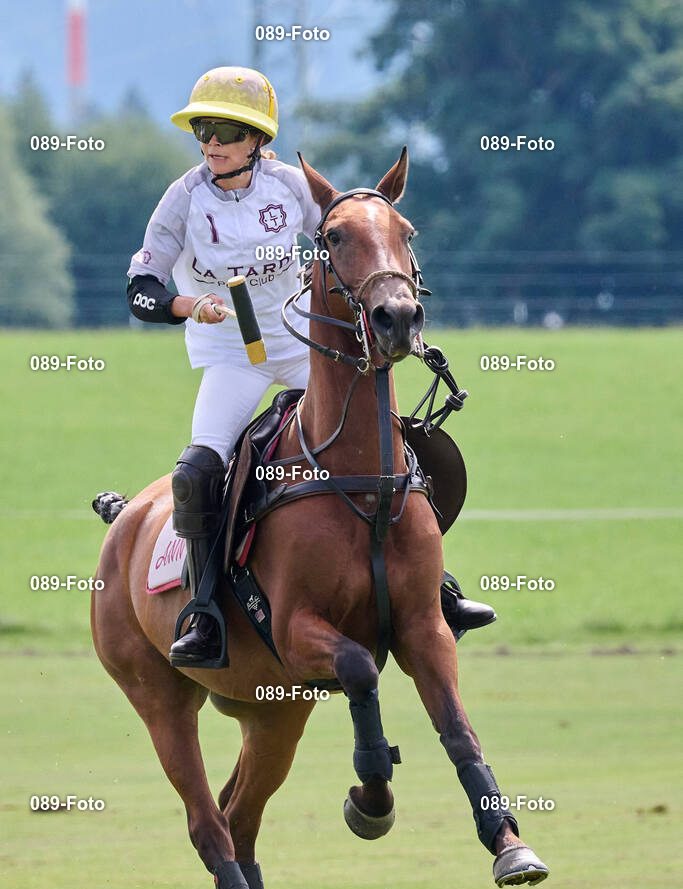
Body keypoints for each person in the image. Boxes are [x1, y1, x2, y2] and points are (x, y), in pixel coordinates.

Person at [126, 65, 495, 668]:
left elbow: (348, 229)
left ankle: (437, 588)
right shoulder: (183, 199)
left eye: (225, 130)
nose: (211, 143)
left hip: (305, 344)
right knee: (196, 473)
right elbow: (140, 286)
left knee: (389, 444)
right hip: (231, 356)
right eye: (203, 129)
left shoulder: (289, 187)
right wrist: (184, 304)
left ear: (257, 140)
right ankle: (205, 614)